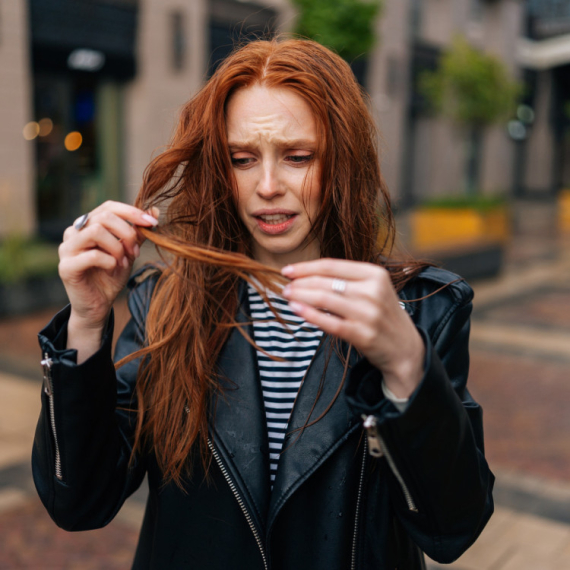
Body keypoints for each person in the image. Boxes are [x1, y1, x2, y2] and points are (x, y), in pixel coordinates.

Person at [33, 38, 494, 569]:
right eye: (242, 159)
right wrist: (88, 324)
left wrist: (406, 366)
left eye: (298, 157)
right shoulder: (164, 304)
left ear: (343, 161)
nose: (267, 186)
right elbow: (79, 501)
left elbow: (451, 530)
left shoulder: (420, 307)